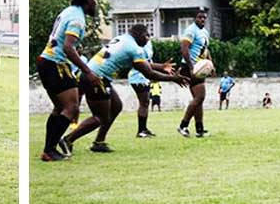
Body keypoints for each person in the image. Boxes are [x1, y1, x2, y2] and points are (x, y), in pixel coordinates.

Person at [61, 25, 188, 153]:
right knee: (100, 117)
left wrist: (161, 66)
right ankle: (68, 139)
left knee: (116, 106)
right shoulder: (134, 48)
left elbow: (141, 64)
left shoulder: (122, 39)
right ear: (139, 35)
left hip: (93, 75)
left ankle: (99, 142)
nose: (148, 39)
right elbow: (148, 73)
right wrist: (173, 78)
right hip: (96, 78)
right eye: (146, 35)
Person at [37, 0, 98, 161]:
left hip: (46, 61)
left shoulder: (68, 11)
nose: (95, 3)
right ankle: (49, 149)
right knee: (71, 108)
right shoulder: (77, 19)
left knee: (59, 107)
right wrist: (88, 71)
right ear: (88, 1)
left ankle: (49, 149)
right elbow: (68, 47)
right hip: (55, 64)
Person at [178, 10, 213, 138]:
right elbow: (184, 48)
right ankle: (183, 125)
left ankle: (199, 129)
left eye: (204, 18)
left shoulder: (204, 32)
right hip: (190, 67)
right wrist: (191, 67)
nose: (202, 20)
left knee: (199, 99)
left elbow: (205, 50)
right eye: (199, 17)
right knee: (200, 97)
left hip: (199, 67)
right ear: (195, 18)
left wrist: (210, 64)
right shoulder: (191, 30)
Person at [128, 39, 170, 137]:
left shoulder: (148, 44)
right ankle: (141, 130)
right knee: (144, 102)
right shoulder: (137, 46)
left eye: (148, 34)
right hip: (137, 77)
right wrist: (161, 67)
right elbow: (143, 64)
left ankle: (144, 129)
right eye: (145, 34)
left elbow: (149, 62)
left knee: (145, 102)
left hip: (144, 77)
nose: (147, 36)